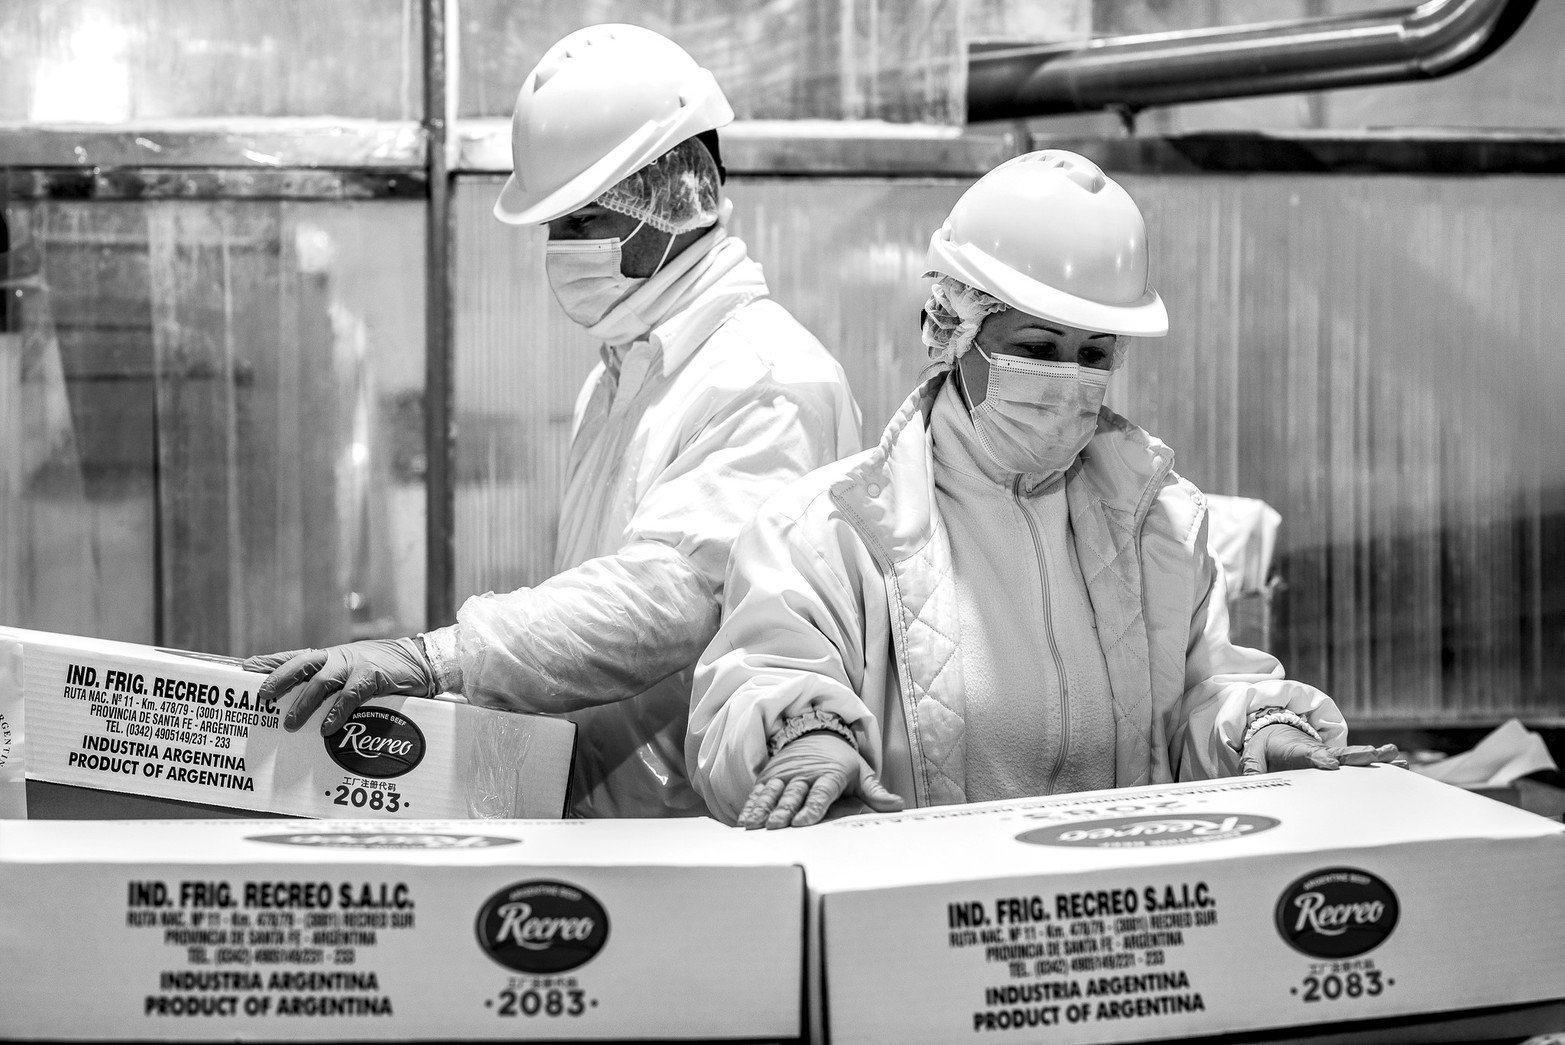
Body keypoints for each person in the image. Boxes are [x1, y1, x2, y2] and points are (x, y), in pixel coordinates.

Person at [246, 24, 862, 818]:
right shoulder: (625, 374)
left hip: (706, 828)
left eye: (579, 222)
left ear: (671, 196)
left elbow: (668, 600)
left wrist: (438, 657)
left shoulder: (767, 380)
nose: (557, 250)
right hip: (616, 816)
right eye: (552, 225)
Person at [687, 150, 1401, 829]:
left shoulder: (1158, 524)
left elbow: (1200, 695)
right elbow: (754, 681)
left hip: (1109, 909)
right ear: (949, 331)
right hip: (928, 915)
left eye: (1092, 354)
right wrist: (803, 739)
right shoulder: (824, 532)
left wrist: (1262, 732)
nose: (1068, 379)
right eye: (1035, 348)